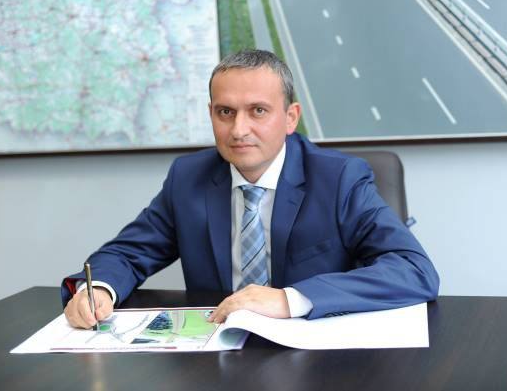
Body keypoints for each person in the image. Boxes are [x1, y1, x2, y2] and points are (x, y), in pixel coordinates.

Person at [62, 49, 439, 329]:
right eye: (225, 112)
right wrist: (99, 290)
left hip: (319, 360)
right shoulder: (188, 178)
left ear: (290, 118)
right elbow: (126, 254)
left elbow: (414, 270)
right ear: (211, 114)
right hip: (219, 354)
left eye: (258, 110)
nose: (239, 130)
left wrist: (289, 299)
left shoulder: (339, 178)